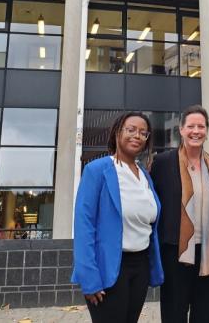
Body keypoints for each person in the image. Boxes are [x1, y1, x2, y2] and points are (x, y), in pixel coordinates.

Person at [72, 112, 164, 323]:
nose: (137, 136)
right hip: (110, 268)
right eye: (131, 130)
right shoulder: (97, 170)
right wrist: (89, 278)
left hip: (140, 266)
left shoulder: (144, 174)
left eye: (143, 133)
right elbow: (83, 224)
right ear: (117, 133)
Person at [150, 105, 209, 323]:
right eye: (191, 126)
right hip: (176, 250)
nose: (196, 131)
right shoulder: (163, 162)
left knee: (208, 311)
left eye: (201, 126)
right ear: (181, 130)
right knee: (175, 310)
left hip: (208, 251)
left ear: (207, 130)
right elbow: (152, 203)